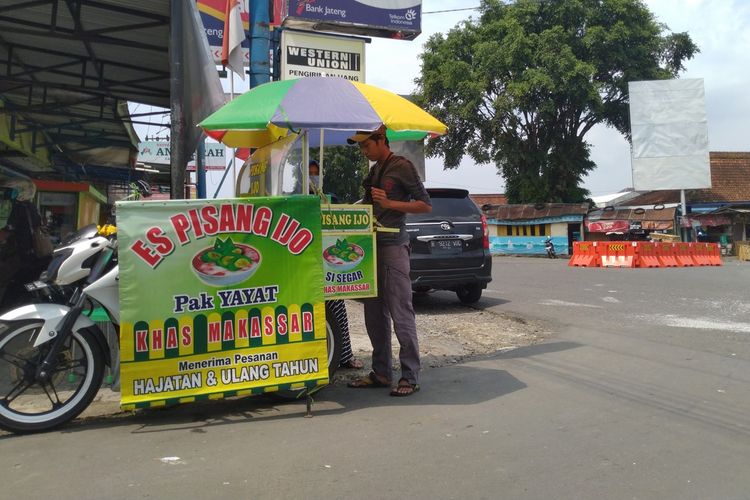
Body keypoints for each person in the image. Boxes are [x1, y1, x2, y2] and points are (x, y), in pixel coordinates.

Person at [345, 126, 431, 396]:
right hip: (370, 246)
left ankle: (410, 375)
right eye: (360, 147)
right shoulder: (374, 171)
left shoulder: (402, 166)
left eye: (366, 145)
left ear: (381, 139)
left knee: (400, 311)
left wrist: (392, 204)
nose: (364, 151)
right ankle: (381, 372)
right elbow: (369, 206)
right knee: (374, 313)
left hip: (394, 245)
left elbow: (425, 205)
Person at [308, 159, 364, 370]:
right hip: (306, 263)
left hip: (329, 264)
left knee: (338, 308)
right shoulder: (295, 198)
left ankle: (345, 356)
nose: (313, 177)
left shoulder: (331, 199)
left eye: (316, 173)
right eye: (310, 173)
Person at [0, 178, 50, 310]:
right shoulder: (33, 208)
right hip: (35, 258)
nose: (10, 194)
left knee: (11, 289)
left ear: (21, 192)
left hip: (24, 259)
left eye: (12, 191)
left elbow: (8, 231)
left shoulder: (19, 207)